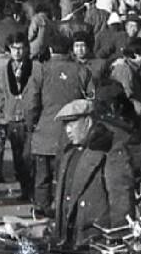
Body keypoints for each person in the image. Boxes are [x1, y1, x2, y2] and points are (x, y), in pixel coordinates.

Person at [24, 30, 94, 218]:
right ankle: (64, 216)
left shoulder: (41, 70)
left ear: (49, 49)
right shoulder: (82, 70)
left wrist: (32, 125)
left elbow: (31, 103)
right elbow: (91, 100)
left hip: (44, 133)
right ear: (70, 49)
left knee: (42, 179)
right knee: (65, 178)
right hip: (72, 134)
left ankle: (40, 214)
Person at [52, 100, 136, 249]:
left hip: (97, 242)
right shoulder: (69, 152)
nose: (67, 130)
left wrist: (119, 240)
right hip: (71, 240)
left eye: (72, 123)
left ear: (88, 121)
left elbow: (121, 199)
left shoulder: (109, 150)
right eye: (65, 125)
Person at [0, 32, 34, 197]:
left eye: (21, 48)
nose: (18, 52)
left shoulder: (34, 67)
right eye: (14, 49)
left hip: (28, 116)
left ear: (26, 49)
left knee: (29, 156)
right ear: (9, 50)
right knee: (18, 157)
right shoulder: (4, 68)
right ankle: (24, 188)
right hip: (12, 116)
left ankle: (30, 189)